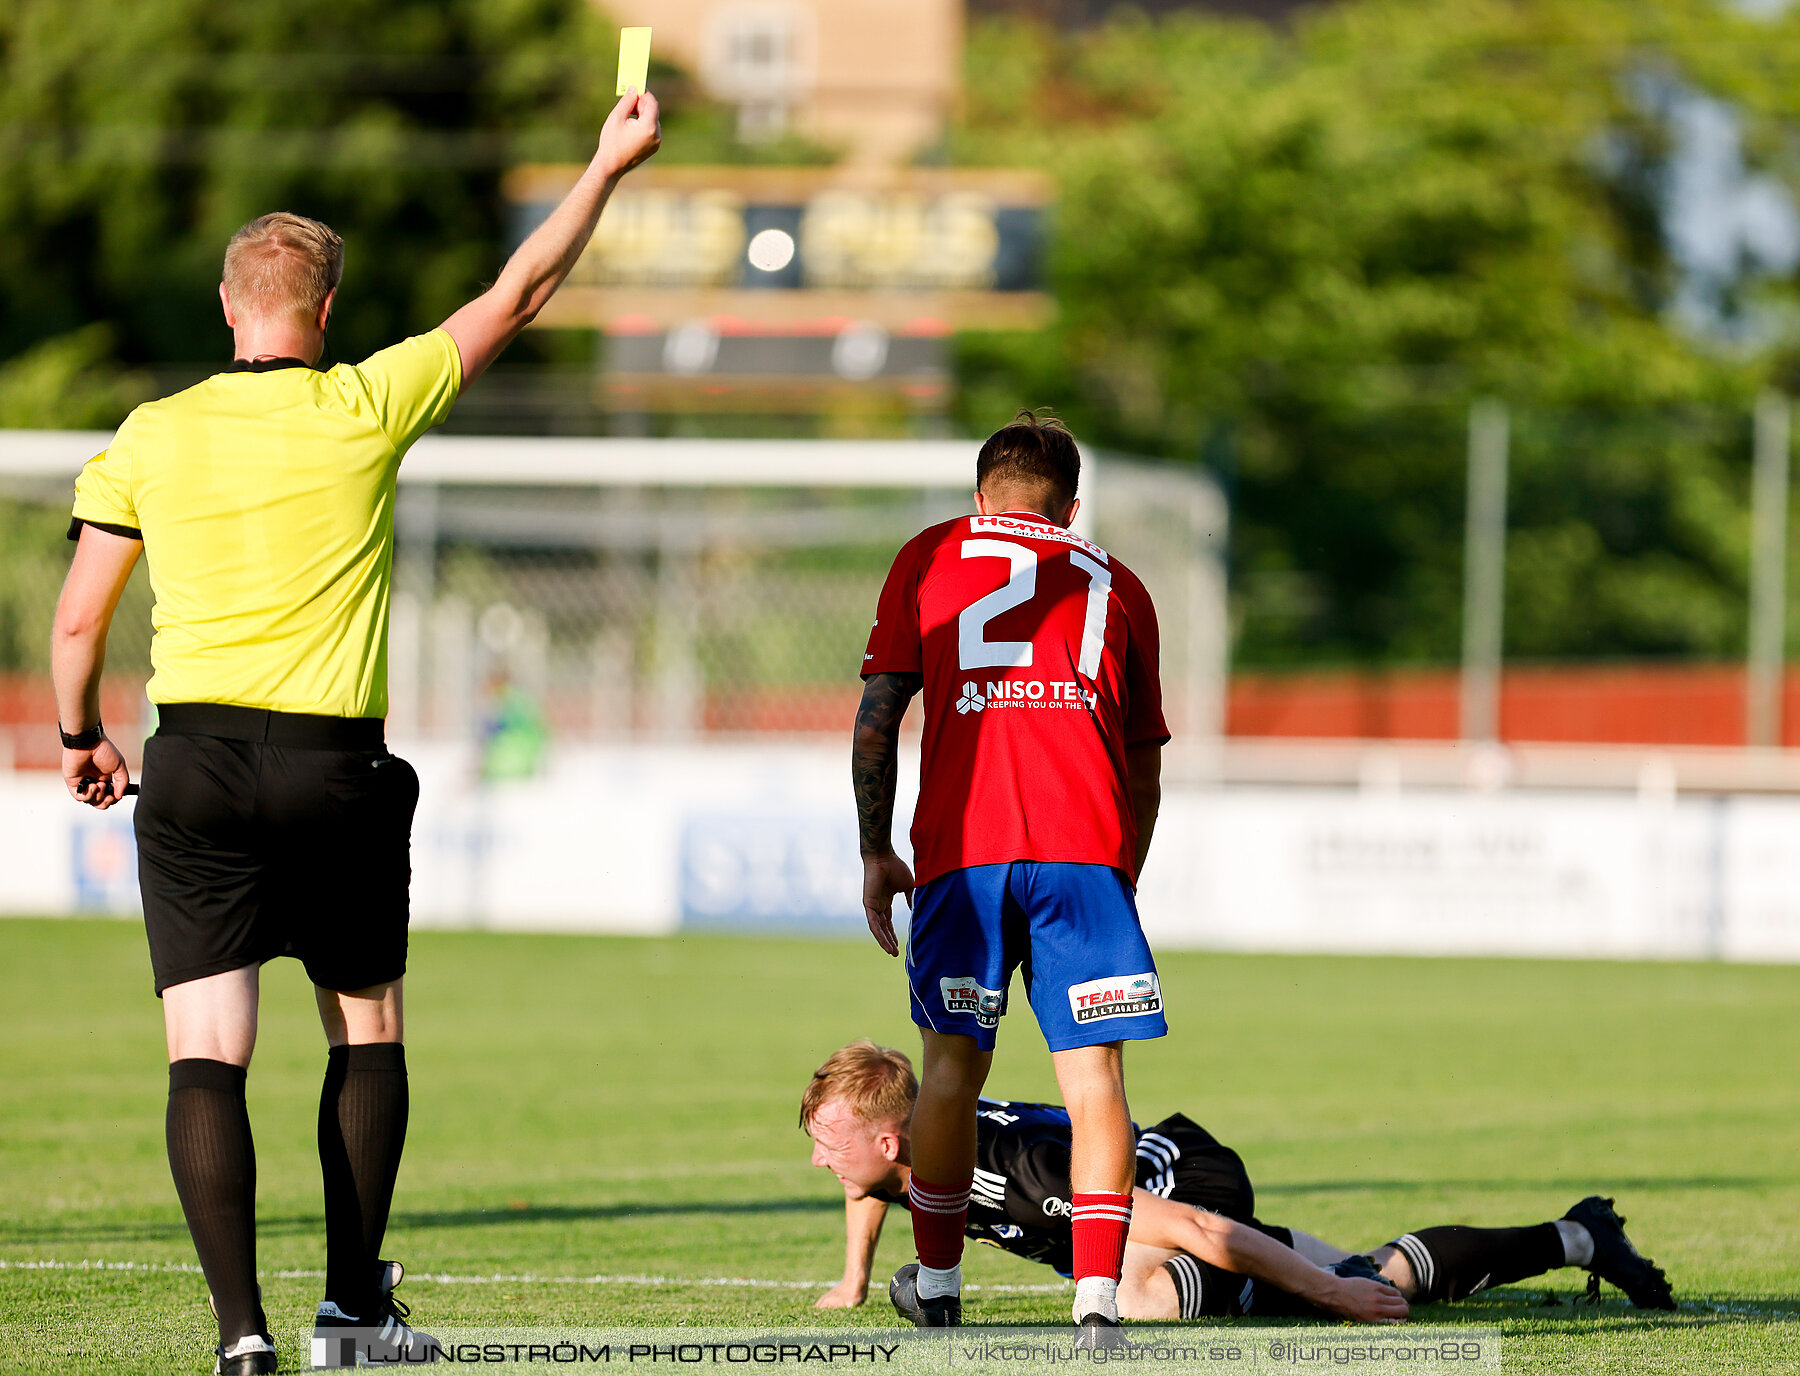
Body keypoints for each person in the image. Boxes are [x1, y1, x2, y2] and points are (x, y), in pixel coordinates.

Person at [49, 90, 661, 1375]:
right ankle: (351, 1313)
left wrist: (82, 735)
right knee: (363, 1030)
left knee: (206, 1051)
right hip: (336, 768)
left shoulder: (153, 434)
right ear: (323, 315)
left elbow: (73, 626)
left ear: (228, 306)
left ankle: (240, 1332)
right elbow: (522, 290)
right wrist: (607, 162)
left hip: (197, 763)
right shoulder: (368, 403)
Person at [853, 411, 1169, 1340]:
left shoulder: (932, 552)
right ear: (1071, 508)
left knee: (951, 1070)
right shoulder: (1122, 583)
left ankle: (941, 1285)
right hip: (1085, 855)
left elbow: (879, 715)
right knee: (1094, 1080)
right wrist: (1125, 871)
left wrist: (877, 850)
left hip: (966, 852)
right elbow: (1145, 760)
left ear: (980, 496)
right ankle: (1098, 1300)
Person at [800, 1042, 1676, 1321]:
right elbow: (866, 1189)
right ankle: (1579, 1236)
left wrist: (1331, 1299)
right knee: (1379, 1275)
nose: (820, 1160)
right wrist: (854, 1281)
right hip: (1142, 1207)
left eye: (830, 1139)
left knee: (1137, 1286)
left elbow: (1197, 1229)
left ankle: (1337, 1287)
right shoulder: (905, 1150)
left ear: (889, 1135)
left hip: (1182, 1176)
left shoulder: (1020, 1173)